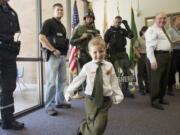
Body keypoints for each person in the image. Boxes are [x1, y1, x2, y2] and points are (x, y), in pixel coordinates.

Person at [65, 37, 124, 135]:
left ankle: (82, 128)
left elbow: (114, 81)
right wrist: (69, 91)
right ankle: (84, 126)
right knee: (91, 121)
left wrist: (118, 94)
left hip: (104, 101)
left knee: (99, 127)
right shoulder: (87, 66)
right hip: (90, 100)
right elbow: (78, 79)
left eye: (101, 51)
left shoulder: (109, 66)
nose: (98, 55)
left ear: (105, 50)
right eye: (95, 52)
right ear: (90, 53)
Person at [39, 3, 70, 116]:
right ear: (53, 11)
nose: (60, 12)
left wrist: (64, 54)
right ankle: (49, 106)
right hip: (52, 56)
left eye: (62, 10)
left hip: (62, 56)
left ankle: (60, 101)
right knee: (51, 82)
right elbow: (41, 38)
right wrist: (53, 50)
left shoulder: (62, 26)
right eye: (58, 10)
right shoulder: (48, 23)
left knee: (62, 80)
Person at [0, 0, 24, 130]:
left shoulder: (10, 11)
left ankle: (8, 120)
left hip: (8, 52)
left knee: (9, 86)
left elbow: (14, 32)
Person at [70, 10, 100, 97]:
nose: (89, 19)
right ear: (85, 18)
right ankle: (87, 93)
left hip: (94, 55)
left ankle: (93, 92)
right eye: (87, 18)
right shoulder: (80, 29)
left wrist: (99, 39)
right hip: (83, 54)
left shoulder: (95, 30)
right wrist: (82, 38)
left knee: (94, 74)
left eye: (91, 18)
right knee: (85, 74)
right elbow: (72, 41)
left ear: (93, 19)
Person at [145, 12, 171, 110]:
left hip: (165, 56)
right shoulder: (152, 30)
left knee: (163, 79)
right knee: (155, 80)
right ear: (155, 19)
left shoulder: (162, 29)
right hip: (157, 57)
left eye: (164, 18)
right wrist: (152, 60)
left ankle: (160, 98)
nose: (163, 20)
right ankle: (154, 101)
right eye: (160, 18)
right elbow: (149, 47)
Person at [104, 16, 134, 98]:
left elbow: (131, 36)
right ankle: (115, 90)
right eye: (116, 22)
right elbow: (105, 43)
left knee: (127, 72)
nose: (117, 23)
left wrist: (127, 25)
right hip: (113, 54)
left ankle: (125, 89)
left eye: (119, 22)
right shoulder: (109, 31)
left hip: (123, 53)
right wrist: (105, 54)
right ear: (113, 22)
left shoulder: (122, 30)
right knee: (115, 74)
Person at [167, 15, 180, 96]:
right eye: (179, 19)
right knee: (172, 70)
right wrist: (178, 40)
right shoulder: (170, 30)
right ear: (174, 21)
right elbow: (170, 42)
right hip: (174, 52)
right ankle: (170, 88)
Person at [134, 26, 149, 95]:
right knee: (141, 73)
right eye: (147, 31)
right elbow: (135, 48)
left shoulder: (149, 39)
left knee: (147, 73)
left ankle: (148, 88)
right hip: (142, 56)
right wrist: (139, 56)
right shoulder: (139, 39)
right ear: (143, 32)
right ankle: (141, 89)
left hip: (149, 56)